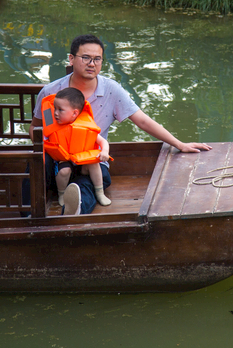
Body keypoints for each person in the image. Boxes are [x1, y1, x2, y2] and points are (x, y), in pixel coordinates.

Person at [31, 34, 211, 215]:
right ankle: (28, 213)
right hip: (59, 160)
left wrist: (179, 144)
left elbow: (142, 120)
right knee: (36, 164)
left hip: (91, 159)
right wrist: (51, 149)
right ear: (71, 59)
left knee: (93, 181)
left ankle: (74, 210)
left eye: (97, 59)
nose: (92, 64)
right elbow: (35, 128)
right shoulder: (51, 92)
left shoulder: (111, 90)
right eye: (85, 57)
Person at [41, 87, 112, 207]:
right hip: (64, 163)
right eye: (55, 109)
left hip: (83, 165)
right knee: (64, 171)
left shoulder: (86, 126)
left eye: (60, 110)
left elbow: (102, 141)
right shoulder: (50, 124)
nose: (55, 113)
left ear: (75, 113)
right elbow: (43, 142)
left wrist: (104, 152)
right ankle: (62, 194)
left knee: (93, 163)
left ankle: (100, 192)